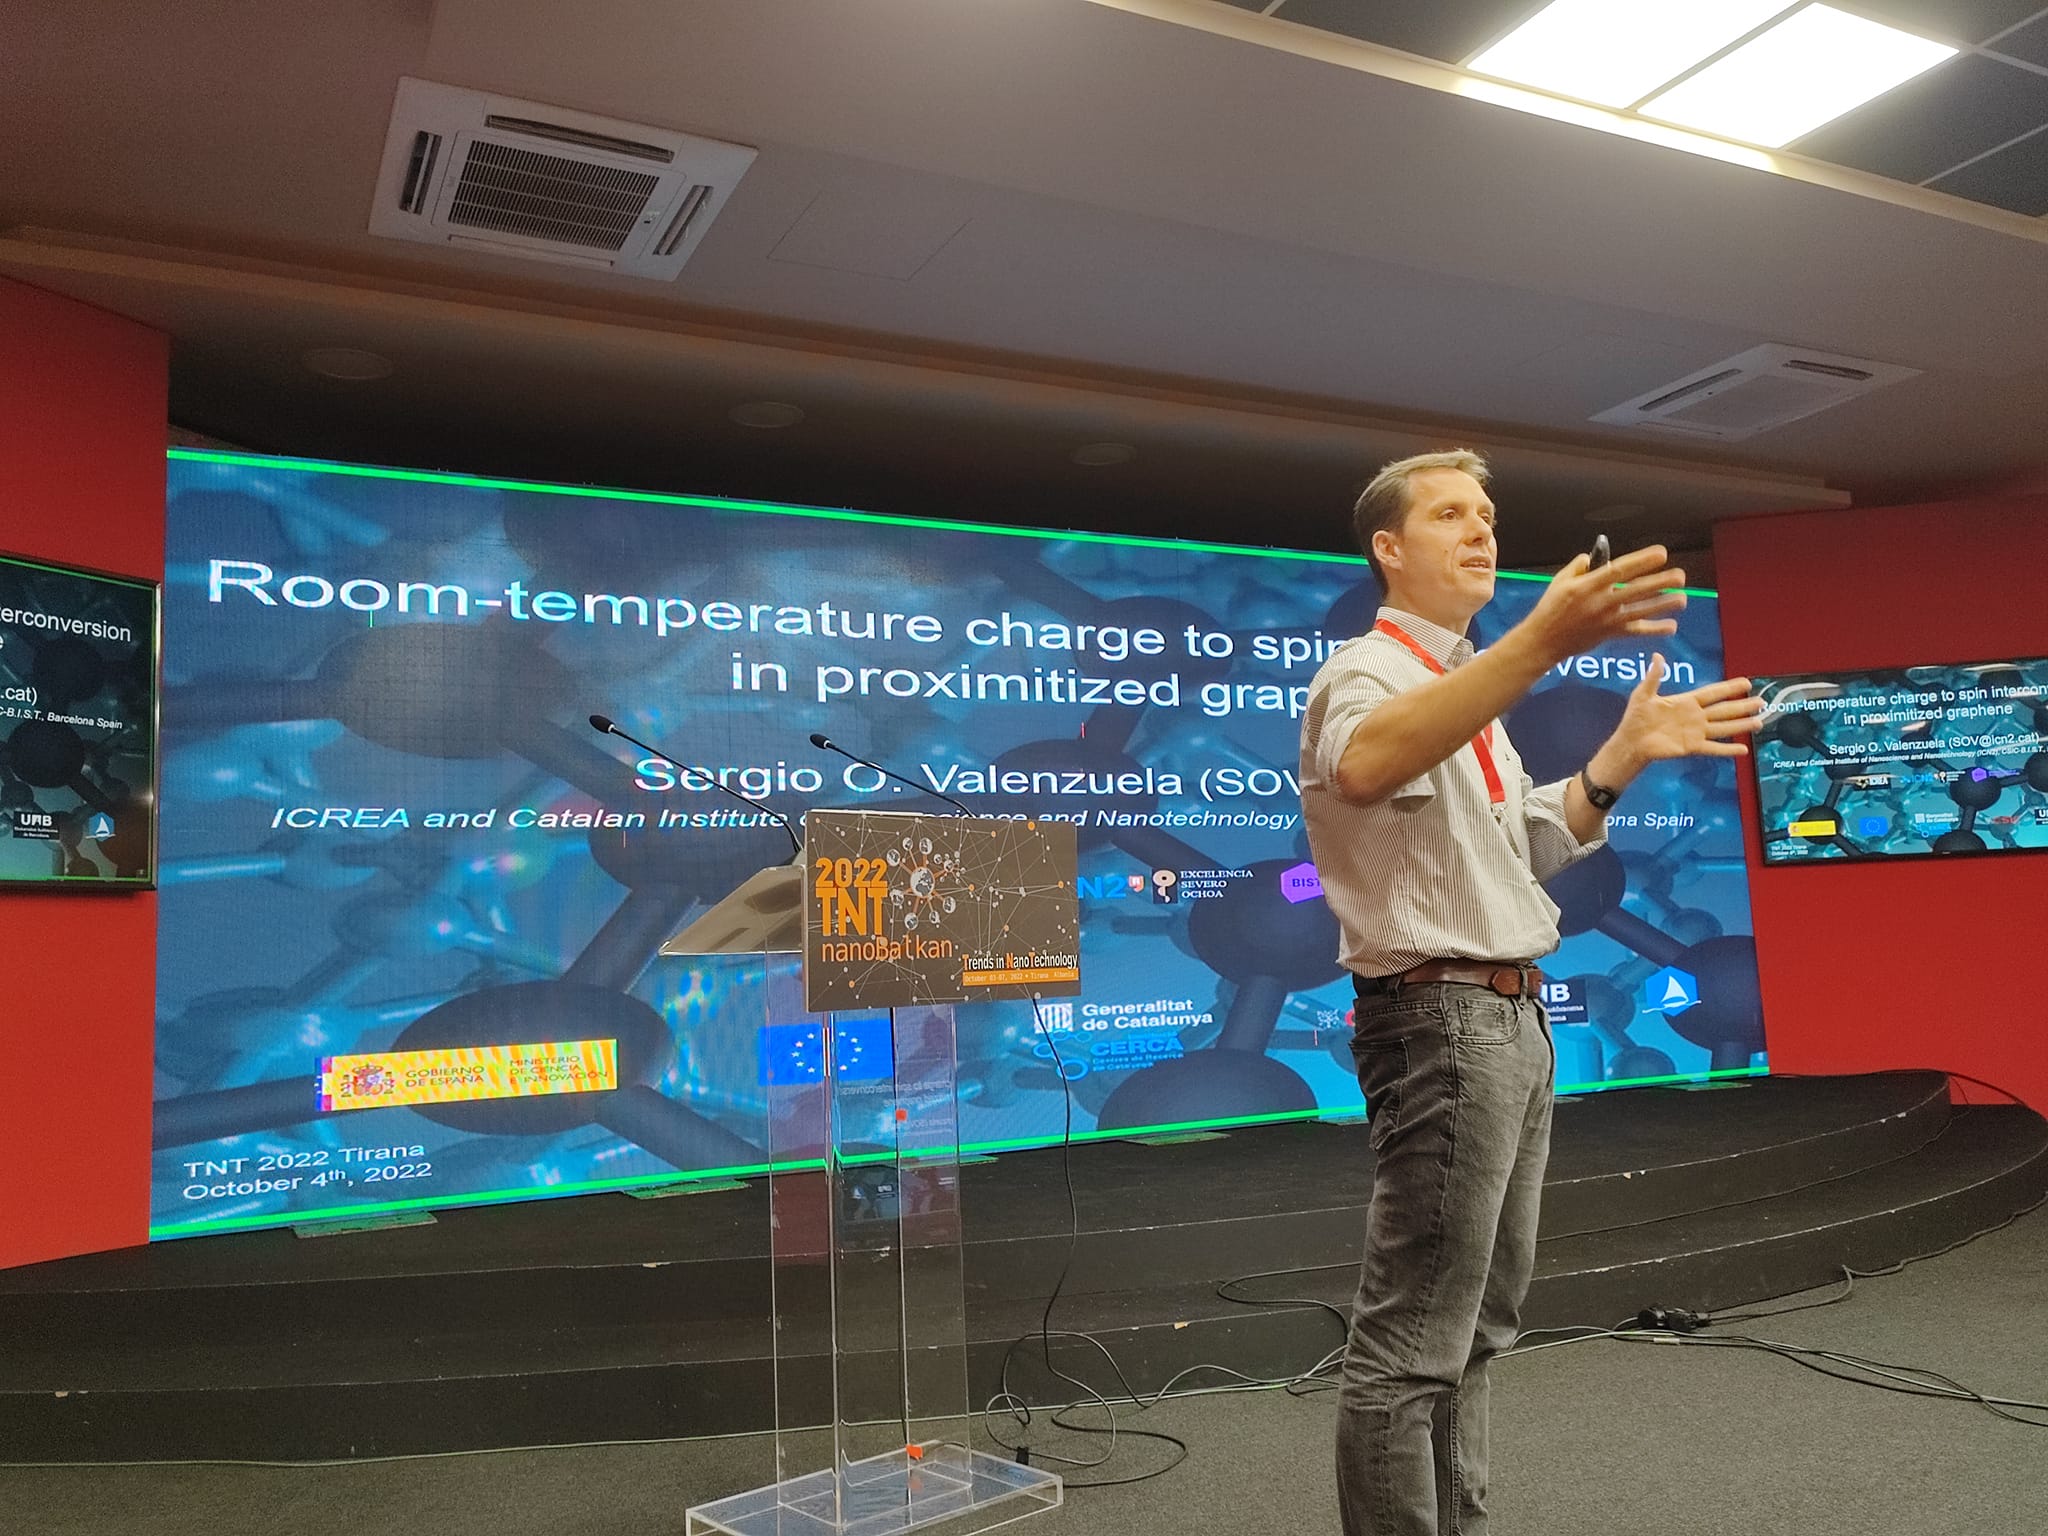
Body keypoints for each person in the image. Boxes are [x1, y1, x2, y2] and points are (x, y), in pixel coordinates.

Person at [1298, 449, 1763, 1536]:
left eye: (1487, 515)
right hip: (1441, 1020)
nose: (1481, 531)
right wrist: (1539, 644)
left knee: (1473, 1331)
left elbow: (1526, 850)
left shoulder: (1468, 697)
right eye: (1450, 514)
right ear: (1388, 548)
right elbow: (1362, 766)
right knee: (1411, 1340)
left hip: (1508, 1019)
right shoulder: (1365, 673)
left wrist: (1621, 758)